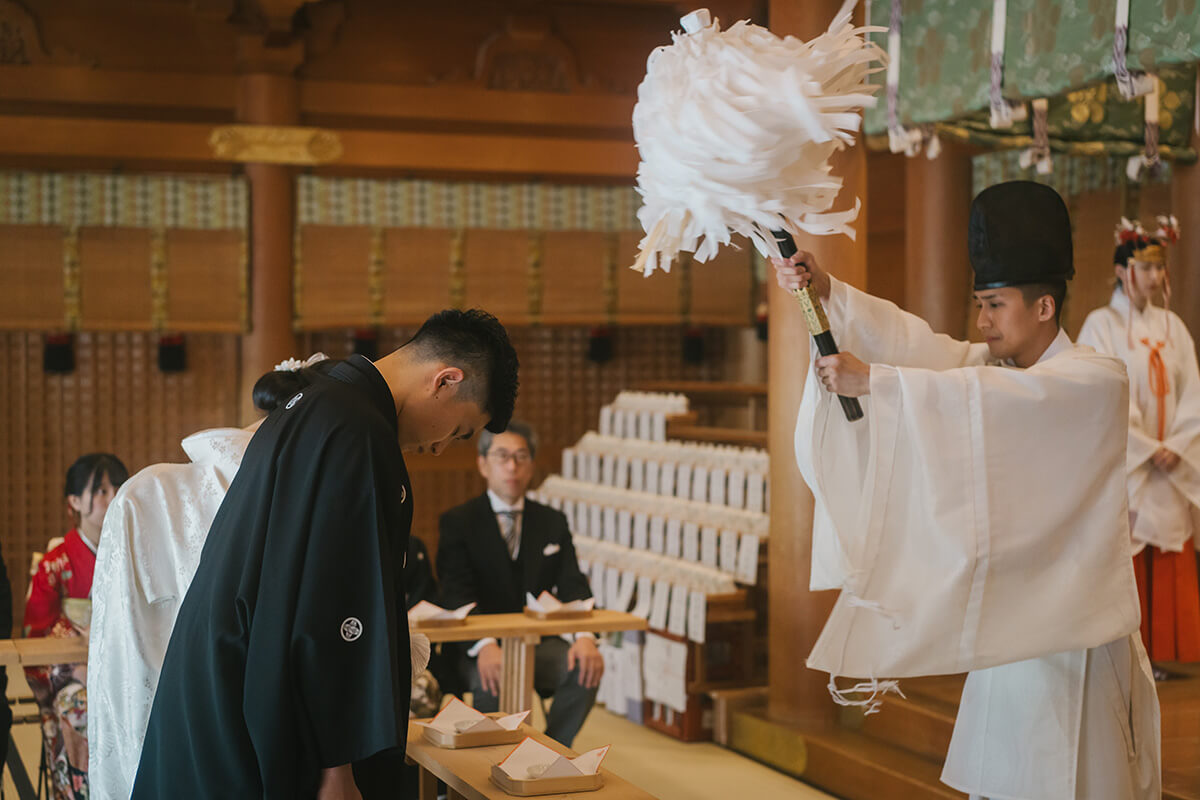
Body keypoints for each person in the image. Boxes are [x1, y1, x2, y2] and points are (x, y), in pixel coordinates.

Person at [773, 181, 1159, 799]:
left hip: (1077, 641)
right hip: (1011, 637)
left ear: (1043, 308)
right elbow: (927, 354)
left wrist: (879, 383)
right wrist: (829, 294)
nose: (982, 321)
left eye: (995, 305)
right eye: (979, 304)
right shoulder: (994, 373)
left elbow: (995, 400)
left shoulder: (1094, 380)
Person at [132, 309, 518, 800]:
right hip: (272, 704)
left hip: (223, 670)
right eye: (459, 430)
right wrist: (337, 765)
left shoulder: (317, 400)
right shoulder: (357, 431)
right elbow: (334, 609)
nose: (441, 448)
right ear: (446, 380)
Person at [87, 354, 337, 800]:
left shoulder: (149, 492)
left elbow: (115, 668)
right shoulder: (149, 496)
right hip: (243, 742)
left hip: (178, 740)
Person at [1078, 217, 1200, 673]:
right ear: (1120, 270)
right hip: (1132, 462)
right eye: (1144, 267)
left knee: (1168, 549)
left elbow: (1194, 391)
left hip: (1172, 458)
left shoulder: (1174, 326)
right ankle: (1127, 657)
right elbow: (1101, 391)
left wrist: (1179, 444)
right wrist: (1146, 447)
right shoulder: (1100, 325)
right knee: (1126, 553)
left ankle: (1168, 652)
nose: (1154, 277)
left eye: (1158, 268)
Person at [437, 421, 602, 747]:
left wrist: (584, 636)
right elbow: (455, 592)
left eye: (521, 456)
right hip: (478, 645)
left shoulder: (552, 521)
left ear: (532, 465)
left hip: (536, 643)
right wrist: (484, 643)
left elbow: (572, 582)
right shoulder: (458, 522)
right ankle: (487, 768)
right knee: (494, 679)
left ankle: (552, 749)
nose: (512, 466)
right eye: (502, 456)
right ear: (483, 464)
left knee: (585, 666)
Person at [24, 453, 129, 800]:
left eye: (116, 487)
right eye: (100, 490)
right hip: (73, 675)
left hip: (125, 669)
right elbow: (35, 637)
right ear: (74, 501)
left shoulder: (132, 555)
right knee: (79, 708)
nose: (112, 497)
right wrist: (81, 661)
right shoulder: (56, 565)